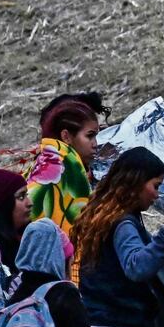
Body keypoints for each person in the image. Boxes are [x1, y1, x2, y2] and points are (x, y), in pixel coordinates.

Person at [72, 147, 164, 327]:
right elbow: (137, 267)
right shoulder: (123, 223)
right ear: (136, 182)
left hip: (99, 324)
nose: (156, 195)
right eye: (156, 186)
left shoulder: (100, 215)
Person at [27, 94, 101, 234]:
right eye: (90, 136)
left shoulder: (43, 161)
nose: (95, 144)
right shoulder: (67, 167)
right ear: (66, 136)